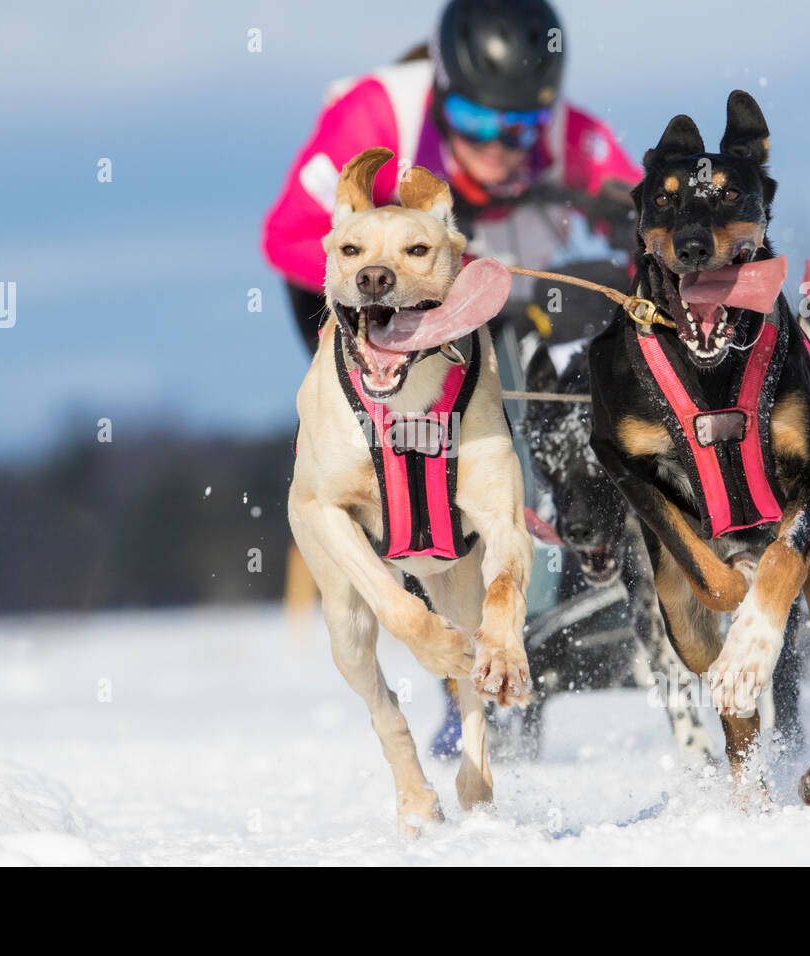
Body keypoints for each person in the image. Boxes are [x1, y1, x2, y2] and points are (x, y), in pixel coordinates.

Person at [262, 0, 644, 755]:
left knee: (525, 423)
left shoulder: (573, 136)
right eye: (477, 119)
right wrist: (400, 284)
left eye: (523, 129)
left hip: (488, 292)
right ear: (441, 92)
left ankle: (539, 601)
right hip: (360, 303)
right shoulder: (378, 114)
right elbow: (285, 236)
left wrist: (627, 227)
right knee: (407, 471)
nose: (504, 146)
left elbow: (645, 217)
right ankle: (449, 680)